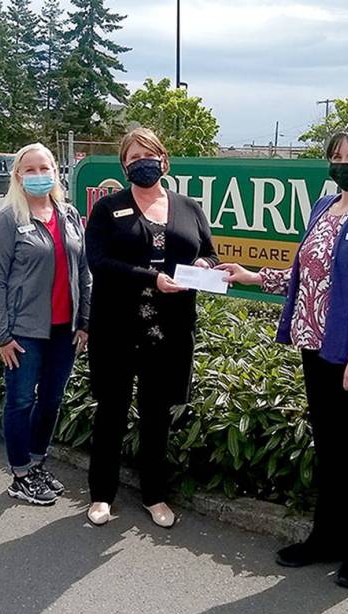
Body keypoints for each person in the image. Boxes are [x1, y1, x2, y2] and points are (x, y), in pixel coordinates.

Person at [218, 125, 348, 588]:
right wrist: (252, 276)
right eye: (336, 154)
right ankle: (326, 538)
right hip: (315, 343)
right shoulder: (323, 206)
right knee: (328, 445)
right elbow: (304, 274)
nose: (343, 162)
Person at [84, 127, 218, 529]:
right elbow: (99, 262)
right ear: (124, 165)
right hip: (117, 327)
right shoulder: (108, 209)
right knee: (111, 411)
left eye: (150, 154)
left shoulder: (188, 207)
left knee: (156, 415)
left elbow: (210, 252)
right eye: (134, 156)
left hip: (170, 330)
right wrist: (150, 278)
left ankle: (155, 495)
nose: (143, 162)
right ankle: (101, 495)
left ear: (164, 159)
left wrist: (204, 268)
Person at [0, 143, 91, 506]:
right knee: (19, 401)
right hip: (25, 333)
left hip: (65, 330)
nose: (38, 175)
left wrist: (85, 321)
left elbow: (84, 273)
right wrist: (2, 335)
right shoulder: (9, 219)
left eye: (44, 167)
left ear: (56, 172)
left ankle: (37, 462)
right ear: (18, 176)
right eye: (29, 170)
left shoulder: (69, 215)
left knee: (51, 401)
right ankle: (19, 474)